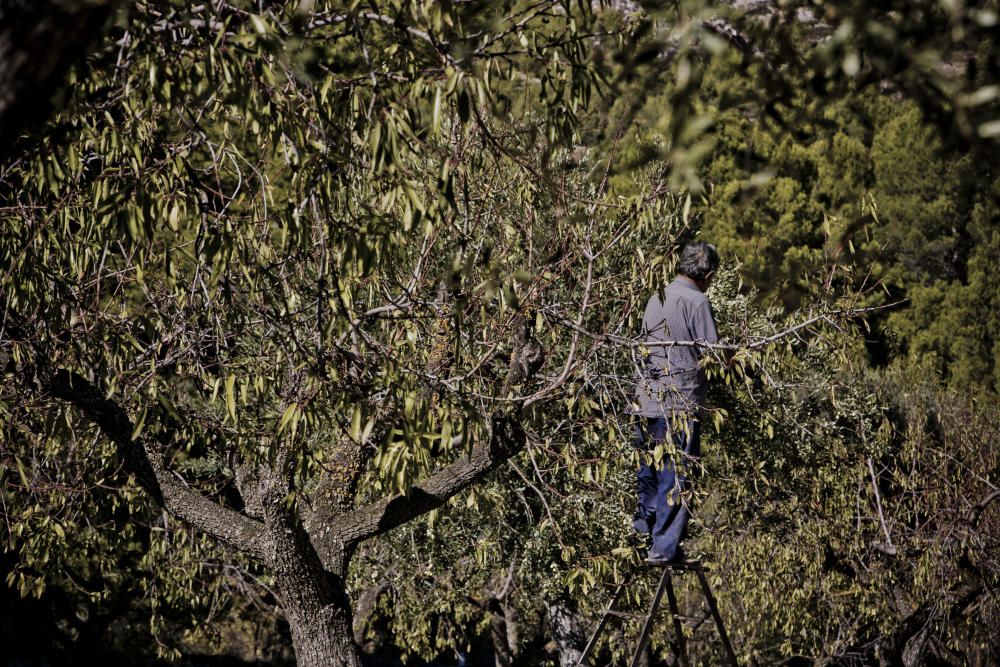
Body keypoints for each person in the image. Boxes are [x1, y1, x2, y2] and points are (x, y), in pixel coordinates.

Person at [631, 241, 720, 565]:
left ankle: (645, 538)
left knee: (649, 472)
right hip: (680, 404)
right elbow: (713, 355)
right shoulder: (697, 301)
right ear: (708, 274)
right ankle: (664, 548)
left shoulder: (657, 295)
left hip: (646, 401)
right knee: (676, 475)